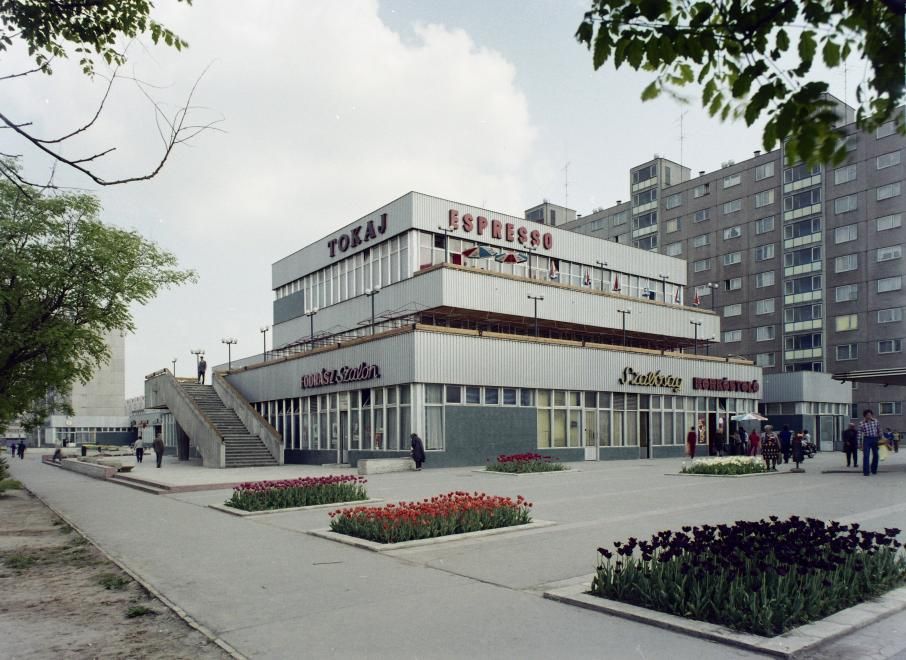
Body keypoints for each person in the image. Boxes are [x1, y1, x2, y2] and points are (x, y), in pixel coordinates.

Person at [859, 409, 880, 477]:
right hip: (867, 439)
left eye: (870, 415)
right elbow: (859, 434)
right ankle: (866, 472)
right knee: (866, 456)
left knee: (876, 455)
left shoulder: (876, 421)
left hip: (875, 439)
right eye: (868, 415)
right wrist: (860, 444)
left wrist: (882, 438)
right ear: (865, 416)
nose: (869, 416)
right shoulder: (862, 423)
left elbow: (879, 430)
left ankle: (874, 470)